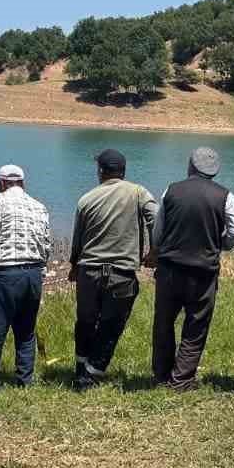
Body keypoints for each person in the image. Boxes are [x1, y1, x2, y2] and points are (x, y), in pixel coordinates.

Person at [148, 147, 234, 390]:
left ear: (191, 166)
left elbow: (158, 232)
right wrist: (221, 244)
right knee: (196, 325)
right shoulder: (225, 196)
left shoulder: (171, 191)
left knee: (164, 322)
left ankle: (161, 376)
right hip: (203, 272)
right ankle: (181, 380)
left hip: (170, 269)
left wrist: (156, 250)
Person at [68, 149, 157, 390]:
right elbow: (156, 219)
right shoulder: (138, 192)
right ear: (123, 171)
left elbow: (77, 240)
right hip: (121, 274)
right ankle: (91, 372)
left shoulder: (86, 199)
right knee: (111, 325)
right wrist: (155, 251)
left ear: (100, 171)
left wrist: (74, 266)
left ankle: (81, 368)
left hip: (89, 271)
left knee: (85, 321)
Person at [0, 163, 52, 393]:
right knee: (26, 332)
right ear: (23, 183)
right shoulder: (39, 206)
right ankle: (25, 381)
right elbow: (46, 244)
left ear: (1, 183)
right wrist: (41, 271)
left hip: (7, 273)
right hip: (33, 274)